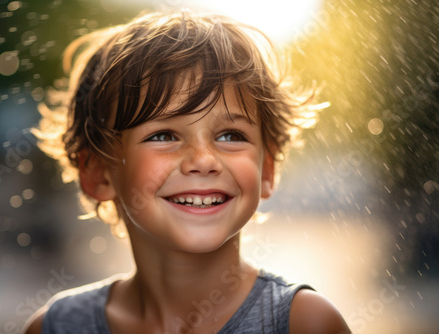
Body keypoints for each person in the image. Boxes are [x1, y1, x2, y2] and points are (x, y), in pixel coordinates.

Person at [24, 9, 351, 334]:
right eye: (163, 136)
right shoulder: (56, 327)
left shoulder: (305, 323)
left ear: (267, 169)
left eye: (230, 136)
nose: (204, 159)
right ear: (98, 173)